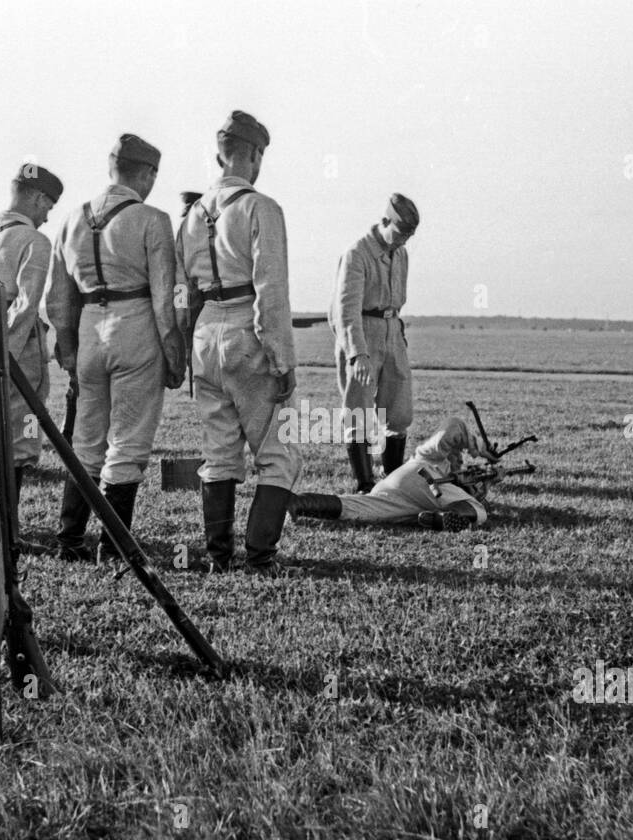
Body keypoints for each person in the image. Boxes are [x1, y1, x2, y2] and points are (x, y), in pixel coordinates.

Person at [46, 134, 183, 561]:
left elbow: (57, 298)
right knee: (129, 440)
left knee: (86, 440)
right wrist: (174, 354)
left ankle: (70, 539)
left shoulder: (70, 220)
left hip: (89, 332)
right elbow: (165, 297)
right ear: (146, 173)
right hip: (136, 328)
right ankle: (115, 545)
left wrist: (68, 349)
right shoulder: (153, 219)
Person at [175, 110, 300, 575]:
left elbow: (180, 293)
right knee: (279, 452)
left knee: (219, 452)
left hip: (205, 334)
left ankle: (218, 555)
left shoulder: (190, 216)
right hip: (248, 332)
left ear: (218, 156)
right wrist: (282, 358)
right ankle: (260, 557)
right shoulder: (261, 208)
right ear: (254, 155)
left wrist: (186, 347)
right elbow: (271, 291)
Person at [0, 162, 63, 525]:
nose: (47, 217)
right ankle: (4, 523)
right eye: (47, 206)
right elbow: (26, 304)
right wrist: (5, 359)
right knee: (20, 436)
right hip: (15, 353)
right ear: (36, 198)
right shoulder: (35, 241)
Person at [328, 193, 419, 493]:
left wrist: (398, 336)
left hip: (393, 329)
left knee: (399, 410)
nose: (404, 240)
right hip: (362, 332)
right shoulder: (357, 253)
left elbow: (398, 299)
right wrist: (357, 354)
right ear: (384, 221)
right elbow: (346, 309)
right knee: (359, 410)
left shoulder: (401, 253)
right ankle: (365, 484)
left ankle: (392, 483)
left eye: (409, 235)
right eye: (401, 232)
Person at [289, 416, 497, 530]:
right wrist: (478, 446)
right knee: (479, 511)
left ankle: (298, 503)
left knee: (354, 508)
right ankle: (443, 518)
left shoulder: (435, 463)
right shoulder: (434, 457)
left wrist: (478, 486)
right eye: (458, 456)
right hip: (427, 478)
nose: (459, 460)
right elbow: (454, 425)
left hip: (395, 488)